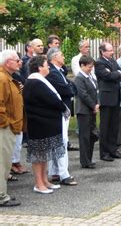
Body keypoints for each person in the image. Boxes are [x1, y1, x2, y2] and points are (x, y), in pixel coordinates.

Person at [23, 55, 66, 194]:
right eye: (46, 64)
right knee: (39, 155)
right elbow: (51, 100)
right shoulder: (35, 82)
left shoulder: (40, 80)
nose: (48, 67)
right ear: (40, 67)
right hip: (39, 124)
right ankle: (38, 183)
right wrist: (61, 106)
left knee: (45, 154)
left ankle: (45, 180)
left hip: (46, 123)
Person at [45, 48, 77, 186]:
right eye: (62, 55)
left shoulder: (60, 70)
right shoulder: (53, 72)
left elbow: (71, 86)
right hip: (58, 111)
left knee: (58, 141)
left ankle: (55, 172)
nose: (64, 57)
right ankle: (63, 173)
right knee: (61, 141)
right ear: (54, 57)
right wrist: (69, 87)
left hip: (63, 109)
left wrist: (69, 86)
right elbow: (67, 89)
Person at [0, 50, 23, 207]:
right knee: (2, 162)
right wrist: (5, 123)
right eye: (16, 60)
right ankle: (1, 196)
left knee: (6, 162)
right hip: (4, 127)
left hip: (9, 126)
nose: (20, 62)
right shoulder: (2, 79)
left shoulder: (8, 78)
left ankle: (3, 192)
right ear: (8, 62)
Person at [95, 42, 121, 161]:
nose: (112, 52)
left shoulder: (113, 61)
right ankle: (104, 152)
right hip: (106, 99)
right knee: (105, 126)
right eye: (110, 50)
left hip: (116, 97)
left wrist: (115, 73)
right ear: (103, 52)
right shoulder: (99, 63)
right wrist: (116, 73)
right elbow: (108, 77)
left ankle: (113, 150)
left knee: (114, 126)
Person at [74, 56, 99, 168]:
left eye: (92, 66)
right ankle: (85, 161)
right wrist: (93, 105)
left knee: (92, 135)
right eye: (89, 67)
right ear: (82, 65)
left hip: (91, 110)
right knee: (84, 137)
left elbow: (96, 91)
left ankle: (89, 158)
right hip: (84, 111)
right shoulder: (80, 78)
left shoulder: (90, 77)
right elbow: (83, 94)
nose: (91, 69)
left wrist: (97, 103)